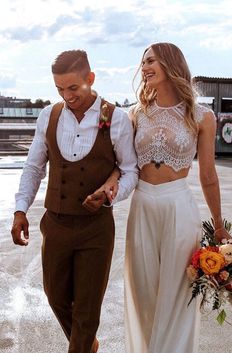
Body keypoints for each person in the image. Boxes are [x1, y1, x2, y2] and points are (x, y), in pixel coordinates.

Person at [11, 49, 138, 353]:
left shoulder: (114, 119)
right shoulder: (49, 115)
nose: (67, 96)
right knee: (55, 296)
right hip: (55, 225)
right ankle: (87, 344)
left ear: (90, 79)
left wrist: (110, 197)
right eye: (59, 89)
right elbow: (34, 167)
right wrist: (20, 209)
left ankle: (82, 343)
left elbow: (130, 170)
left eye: (73, 87)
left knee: (86, 311)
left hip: (96, 230)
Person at [122, 42, 232, 353]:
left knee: (178, 293)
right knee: (144, 291)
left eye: (151, 60)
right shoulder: (135, 114)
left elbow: (208, 176)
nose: (144, 67)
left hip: (179, 207)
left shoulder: (201, 116)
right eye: (143, 62)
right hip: (142, 205)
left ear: (171, 64)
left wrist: (219, 226)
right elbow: (124, 166)